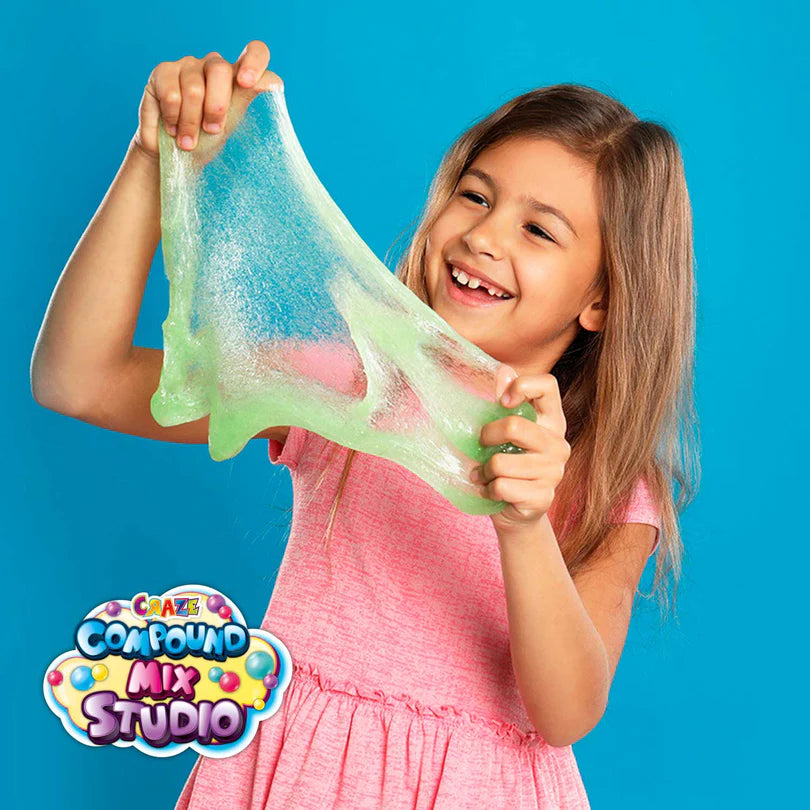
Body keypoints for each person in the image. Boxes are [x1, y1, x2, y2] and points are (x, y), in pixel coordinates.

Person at [30, 39, 699, 809]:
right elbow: (78, 380)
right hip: (298, 778)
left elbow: (567, 712)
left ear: (602, 299)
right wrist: (152, 157)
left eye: (539, 231)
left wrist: (523, 525)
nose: (484, 237)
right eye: (475, 196)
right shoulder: (348, 385)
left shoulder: (615, 478)